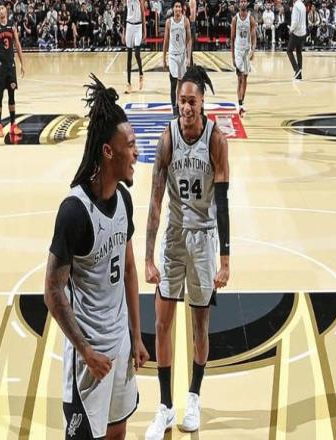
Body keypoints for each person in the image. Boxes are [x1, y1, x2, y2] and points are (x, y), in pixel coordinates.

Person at [44, 74, 149, 440]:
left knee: (118, 432)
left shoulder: (124, 200)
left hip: (121, 344)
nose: (136, 153)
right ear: (108, 151)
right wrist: (85, 351)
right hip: (89, 357)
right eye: (130, 146)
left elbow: (130, 269)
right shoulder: (75, 211)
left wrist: (136, 335)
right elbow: (52, 292)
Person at [144, 66, 230, 440]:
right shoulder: (167, 139)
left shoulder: (216, 140)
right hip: (174, 236)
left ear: (202, 102)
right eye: (181, 101)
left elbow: (223, 202)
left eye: (192, 101)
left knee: (199, 326)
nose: (186, 107)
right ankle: (165, 406)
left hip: (204, 238)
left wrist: (225, 259)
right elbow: (154, 199)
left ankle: (193, 396)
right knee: (162, 321)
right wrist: (148, 256)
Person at [0, 0, 25, 138]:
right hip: (0, 66)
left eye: (2, 8)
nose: (0, 11)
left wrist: (22, 63)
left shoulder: (12, 25)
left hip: (11, 65)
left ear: (6, 9)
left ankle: (13, 124)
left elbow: (17, 44)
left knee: (11, 95)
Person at [163, 0, 191, 117]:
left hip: (182, 55)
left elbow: (189, 40)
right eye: (176, 6)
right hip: (173, 55)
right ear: (173, 8)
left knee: (181, 83)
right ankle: (174, 108)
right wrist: (164, 58)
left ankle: (179, 105)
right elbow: (166, 40)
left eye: (179, 6)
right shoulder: (169, 22)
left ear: (182, 8)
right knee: (173, 82)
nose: (178, 9)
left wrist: (188, 57)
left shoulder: (186, 21)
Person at [230, 0, 256, 116]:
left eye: (245, 1)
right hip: (238, 50)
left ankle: (242, 102)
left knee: (245, 78)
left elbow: (254, 37)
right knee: (240, 77)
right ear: (239, 4)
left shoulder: (251, 18)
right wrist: (233, 57)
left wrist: (253, 51)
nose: (243, 3)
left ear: (247, 3)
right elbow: (232, 38)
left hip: (246, 50)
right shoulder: (235, 19)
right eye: (241, 1)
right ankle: (240, 104)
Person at [125, 0, 146, 93]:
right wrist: (123, 31)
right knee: (129, 55)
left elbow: (143, 14)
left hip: (138, 26)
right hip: (129, 26)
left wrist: (144, 29)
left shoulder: (140, 1)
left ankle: (141, 73)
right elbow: (124, 14)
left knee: (137, 53)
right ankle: (129, 83)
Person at [287, 0, 306, 79]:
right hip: (303, 32)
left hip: (296, 33)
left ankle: (296, 70)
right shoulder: (303, 5)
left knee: (289, 51)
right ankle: (299, 73)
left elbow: (295, 21)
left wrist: (291, 29)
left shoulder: (296, 7)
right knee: (299, 52)